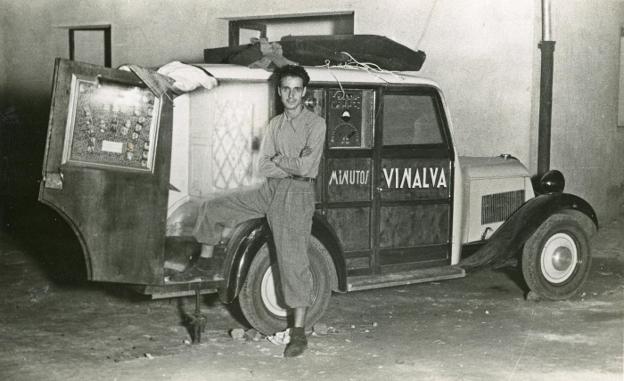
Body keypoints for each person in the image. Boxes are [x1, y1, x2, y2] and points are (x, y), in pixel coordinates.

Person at [171, 65, 326, 358]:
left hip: (296, 194)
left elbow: (308, 167)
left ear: (304, 92)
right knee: (213, 207)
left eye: (297, 89)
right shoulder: (274, 125)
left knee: (292, 262)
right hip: (270, 189)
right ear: (279, 92)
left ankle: (298, 332)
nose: (291, 95)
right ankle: (205, 262)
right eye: (286, 89)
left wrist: (280, 159)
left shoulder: (315, 125)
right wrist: (283, 161)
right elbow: (264, 166)